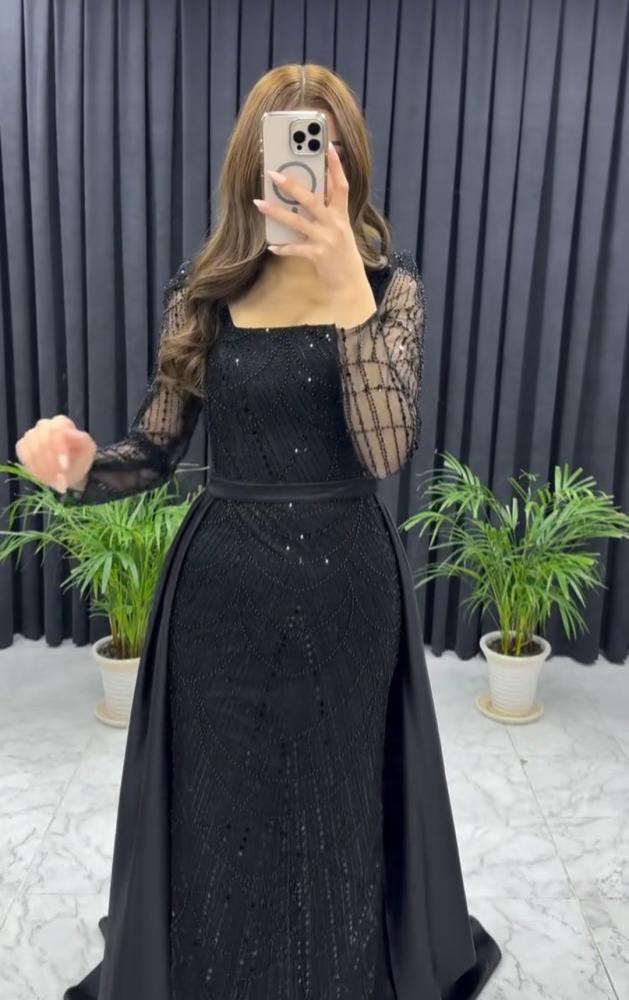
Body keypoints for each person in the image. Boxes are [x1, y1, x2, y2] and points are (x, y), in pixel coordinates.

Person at [15, 63, 501, 1000]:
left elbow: (385, 447)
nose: (305, 169)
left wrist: (345, 286)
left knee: (337, 792)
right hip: (218, 591)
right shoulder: (203, 291)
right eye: (288, 147)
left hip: (348, 587)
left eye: (324, 149)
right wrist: (79, 468)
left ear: (348, 164)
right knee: (220, 794)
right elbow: (153, 450)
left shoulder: (389, 289)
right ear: (253, 160)